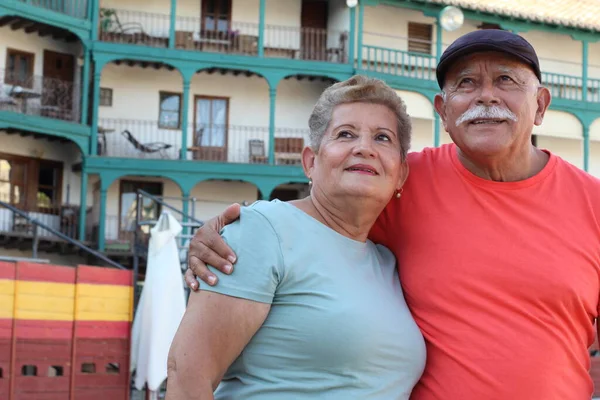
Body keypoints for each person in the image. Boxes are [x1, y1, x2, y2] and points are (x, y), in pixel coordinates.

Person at [184, 29, 600, 399]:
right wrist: (222, 233)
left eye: (505, 80)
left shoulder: (593, 203)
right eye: (466, 83)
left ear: (541, 105)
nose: (485, 96)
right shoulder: (398, 182)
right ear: (444, 111)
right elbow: (316, 219)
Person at [166, 76, 427, 399]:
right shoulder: (264, 230)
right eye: (345, 134)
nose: (364, 148)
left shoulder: (387, 262)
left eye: (382, 138)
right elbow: (189, 375)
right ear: (311, 162)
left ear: (400, 173)